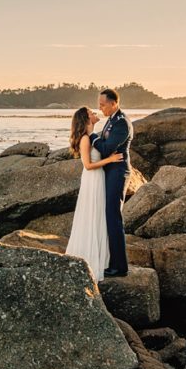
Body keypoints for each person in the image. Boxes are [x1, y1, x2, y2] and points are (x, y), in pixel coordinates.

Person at [64, 106, 123, 282]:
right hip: (92, 179)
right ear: (86, 118)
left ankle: (102, 259)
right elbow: (88, 165)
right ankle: (90, 260)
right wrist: (110, 160)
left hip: (99, 178)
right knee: (92, 216)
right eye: (91, 112)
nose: (95, 112)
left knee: (99, 217)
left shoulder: (93, 136)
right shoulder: (84, 139)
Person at [89, 88, 133, 277]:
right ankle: (111, 261)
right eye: (99, 105)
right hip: (110, 172)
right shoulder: (111, 121)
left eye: (103, 104)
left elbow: (106, 148)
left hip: (118, 172)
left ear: (114, 103)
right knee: (109, 217)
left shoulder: (122, 123)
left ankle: (119, 266)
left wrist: (91, 135)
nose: (100, 108)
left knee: (113, 217)